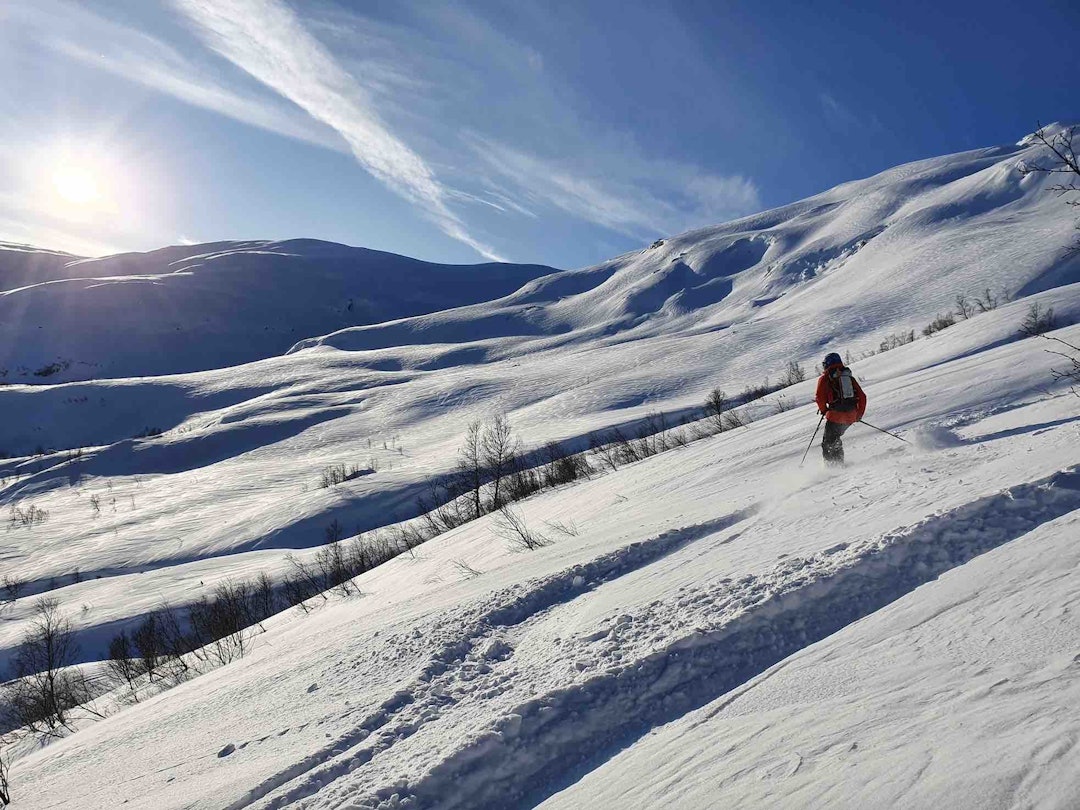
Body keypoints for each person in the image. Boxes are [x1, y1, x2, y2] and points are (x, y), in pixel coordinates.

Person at [814, 352, 867, 466]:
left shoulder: (825, 378)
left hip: (835, 416)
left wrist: (824, 411)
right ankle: (839, 463)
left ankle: (832, 467)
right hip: (851, 416)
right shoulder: (848, 377)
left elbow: (819, 397)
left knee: (827, 442)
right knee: (835, 438)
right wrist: (858, 415)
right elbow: (862, 397)